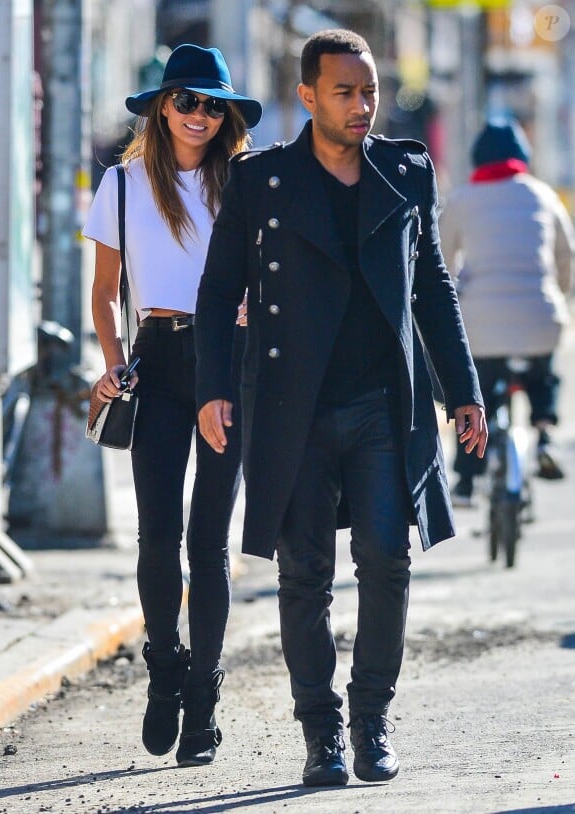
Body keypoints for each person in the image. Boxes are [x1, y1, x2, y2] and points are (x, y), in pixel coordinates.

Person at [194, 29, 487, 787]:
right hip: (292, 407)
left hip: (384, 405)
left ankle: (371, 719)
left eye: (369, 93)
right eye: (345, 93)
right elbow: (219, 288)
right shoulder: (262, 181)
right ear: (308, 96)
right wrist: (214, 388)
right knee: (305, 576)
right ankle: (320, 734)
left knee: (388, 561)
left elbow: (432, 288)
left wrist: (465, 392)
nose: (361, 107)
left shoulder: (405, 170)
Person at [82, 44, 261, 767]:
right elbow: (102, 291)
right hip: (155, 360)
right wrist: (112, 365)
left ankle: (204, 702)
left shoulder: (244, 185)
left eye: (214, 105)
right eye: (187, 100)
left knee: (208, 542)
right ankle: (165, 671)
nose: (199, 115)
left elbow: (269, 272)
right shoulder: (123, 185)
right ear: (162, 105)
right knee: (157, 536)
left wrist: (258, 306)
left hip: (229, 362)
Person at [440, 119, 575, 506]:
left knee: (475, 396)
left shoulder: (462, 200)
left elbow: (442, 266)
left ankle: (466, 480)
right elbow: (566, 257)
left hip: (481, 327)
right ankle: (545, 431)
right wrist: (557, 298)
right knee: (543, 375)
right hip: (541, 319)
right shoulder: (543, 196)